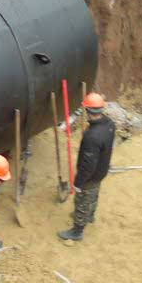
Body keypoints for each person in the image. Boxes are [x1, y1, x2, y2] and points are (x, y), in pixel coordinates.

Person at [58, 92, 116, 241]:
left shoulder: (92, 136)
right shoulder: (110, 124)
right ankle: (90, 215)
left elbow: (87, 165)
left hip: (90, 175)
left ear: (88, 111)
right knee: (93, 194)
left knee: (82, 201)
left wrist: (78, 182)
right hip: (101, 170)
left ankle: (77, 231)